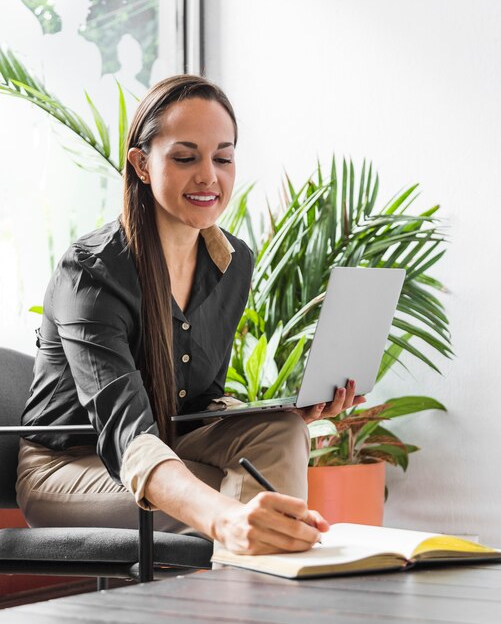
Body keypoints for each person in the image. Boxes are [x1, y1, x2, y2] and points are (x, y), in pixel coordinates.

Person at [16, 75, 365, 555]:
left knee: (283, 432)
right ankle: (249, 587)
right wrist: (225, 519)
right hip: (69, 467)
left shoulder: (233, 263)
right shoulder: (91, 273)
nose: (209, 177)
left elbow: (199, 402)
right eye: (185, 158)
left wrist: (281, 411)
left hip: (171, 440)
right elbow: (128, 435)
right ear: (141, 164)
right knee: (222, 493)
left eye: (223, 157)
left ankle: (255, 594)